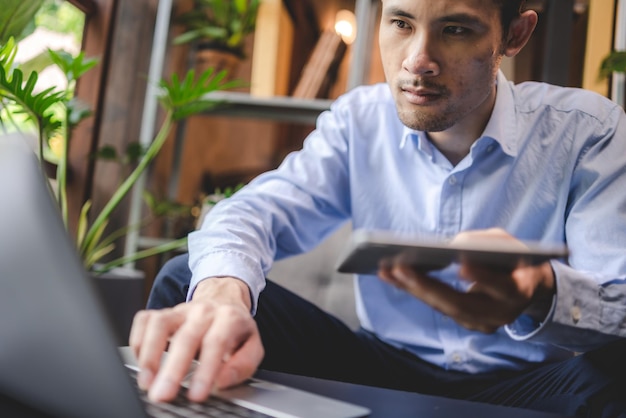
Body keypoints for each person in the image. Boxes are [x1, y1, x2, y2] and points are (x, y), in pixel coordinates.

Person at [130, 0, 626, 416]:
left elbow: (619, 299)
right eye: (401, 23)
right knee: (186, 281)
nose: (417, 60)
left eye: (455, 29)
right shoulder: (358, 120)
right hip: (381, 369)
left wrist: (541, 292)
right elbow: (252, 212)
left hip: (530, 385)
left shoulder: (588, 130)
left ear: (514, 35)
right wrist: (223, 295)